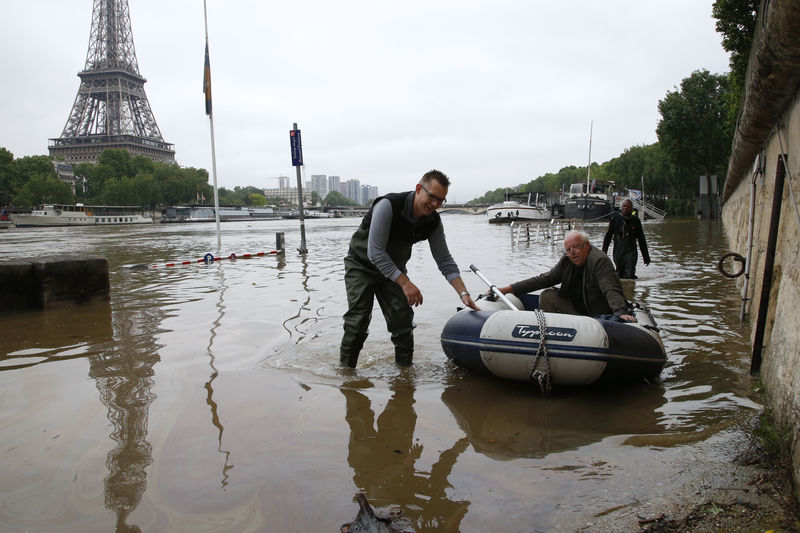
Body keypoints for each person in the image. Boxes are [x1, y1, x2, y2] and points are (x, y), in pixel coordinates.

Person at [340, 170, 479, 368]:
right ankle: (346, 375)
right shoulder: (388, 206)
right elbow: (375, 253)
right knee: (358, 322)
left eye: (441, 201)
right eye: (431, 197)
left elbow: (445, 260)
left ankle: (405, 377)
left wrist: (463, 293)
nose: (435, 204)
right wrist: (405, 282)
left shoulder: (432, 222)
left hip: (393, 271)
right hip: (361, 266)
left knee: (403, 322)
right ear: (418, 189)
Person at [493, 230, 636, 322]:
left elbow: (610, 289)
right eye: (568, 249)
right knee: (547, 295)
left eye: (576, 246)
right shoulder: (567, 261)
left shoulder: (599, 260)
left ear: (587, 246)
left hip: (596, 313)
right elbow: (543, 279)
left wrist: (620, 313)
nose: (572, 252)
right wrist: (508, 289)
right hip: (577, 309)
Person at [602, 199, 650, 279]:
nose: (625, 208)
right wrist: (604, 252)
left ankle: (630, 289)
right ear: (621, 207)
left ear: (631, 208)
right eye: (623, 206)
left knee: (629, 274)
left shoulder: (636, 221)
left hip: (631, 250)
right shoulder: (615, 219)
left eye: (627, 206)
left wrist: (646, 257)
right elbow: (608, 237)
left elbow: (642, 240)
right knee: (619, 275)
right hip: (618, 250)